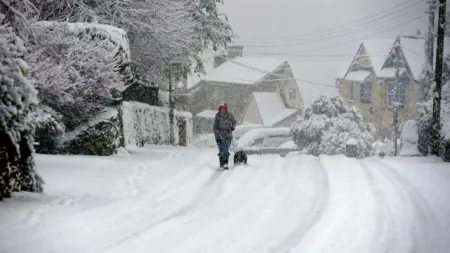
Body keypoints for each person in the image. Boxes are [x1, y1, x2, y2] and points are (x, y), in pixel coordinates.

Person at [213, 103, 236, 169]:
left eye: (223, 108)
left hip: (227, 136)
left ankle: (225, 164)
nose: (222, 110)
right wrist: (217, 133)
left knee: (225, 150)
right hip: (219, 137)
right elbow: (215, 127)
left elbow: (234, 122)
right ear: (219, 109)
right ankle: (221, 164)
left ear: (225, 109)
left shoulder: (229, 115)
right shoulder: (217, 116)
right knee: (221, 151)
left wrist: (232, 128)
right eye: (221, 109)